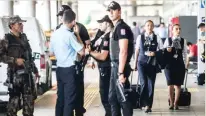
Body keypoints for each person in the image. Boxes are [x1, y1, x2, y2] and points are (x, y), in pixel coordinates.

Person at [0, 15, 39, 116]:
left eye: (22, 23)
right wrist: (14, 60)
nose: (22, 25)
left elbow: (29, 56)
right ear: (12, 25)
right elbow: (1, 56)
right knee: (14, 105)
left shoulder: (24, 38)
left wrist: (35, 70)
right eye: (19, 24)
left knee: (29, 105)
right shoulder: (6, 39)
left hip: (27, 77)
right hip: (15, 77)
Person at [56, 5, 90, 115]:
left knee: (78, 94)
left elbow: (88, 46)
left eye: (62, 15)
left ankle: (79, 112)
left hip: (77, 66)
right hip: (65, 67)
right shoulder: (58, 28)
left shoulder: (80, 27)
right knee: (64, 97)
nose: (61, 18)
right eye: (60, 16)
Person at [50, 10, 85, 116]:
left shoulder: (55, 34)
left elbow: (51, 52)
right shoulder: (70, 35)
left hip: (59, 69)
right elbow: (82, 52)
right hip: (70, 70)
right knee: (69, 100)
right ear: (73, 22)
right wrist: (77, 35)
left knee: (61, 99)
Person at [107, 1, 134, 116]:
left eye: (114, 10)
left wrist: (121, 73)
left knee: (123, 98)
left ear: (119, 11)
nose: (111, 12)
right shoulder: (116, 28)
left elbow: (123, 51)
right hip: (115, 67)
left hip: (120, 67)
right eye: (109, 10)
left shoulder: (122, 28)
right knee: (113, 98)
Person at [85, 15, 113, 116]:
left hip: (106, 67)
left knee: (105, 94)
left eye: (101, 23)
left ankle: (109, 113)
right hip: (106, 67)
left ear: (107, 23)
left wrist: (90, 52)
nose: (99, 26)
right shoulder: (104, 35)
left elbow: (103, 56)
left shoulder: (107, 37)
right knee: (106, 93)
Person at [134, 20, 164, 113]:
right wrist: (135, 64)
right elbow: (137, 50)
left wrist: (155, 53)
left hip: (152, 63)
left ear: (153, 27)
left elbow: (162, 50)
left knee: (151, 84)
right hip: (141, 63)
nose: (149, 27)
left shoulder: (157, 37)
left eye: (151, 26)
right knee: (144, 83)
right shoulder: (140, 37)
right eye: (147, 25)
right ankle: (143, 103)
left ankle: (148, 105)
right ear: (144, 27)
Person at [163, 24, 187, 110]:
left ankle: (176, 103)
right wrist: (167, 50)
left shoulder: (183, 41)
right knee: (170, 84)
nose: (178, 30)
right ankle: (171, 103)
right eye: (176, 29)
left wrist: (186, 64)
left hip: (179, 64)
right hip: (169, 65)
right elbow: (163, 51)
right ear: (172, 31)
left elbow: (185, 53)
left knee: (178, 85)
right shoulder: (168, 40)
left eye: (179, 29)